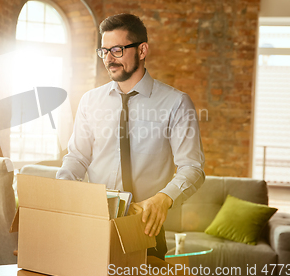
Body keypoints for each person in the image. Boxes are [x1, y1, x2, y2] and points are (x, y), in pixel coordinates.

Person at [56, 13, 205, 260]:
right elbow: (77, 157)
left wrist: (163, 199)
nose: (108, 59)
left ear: (142, 50)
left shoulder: (176, 103)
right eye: (103, 51)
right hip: (94, 224)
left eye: (116, 50)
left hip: (145, 227)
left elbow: (192, 168)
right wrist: (59, 189)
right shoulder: (90, 101)